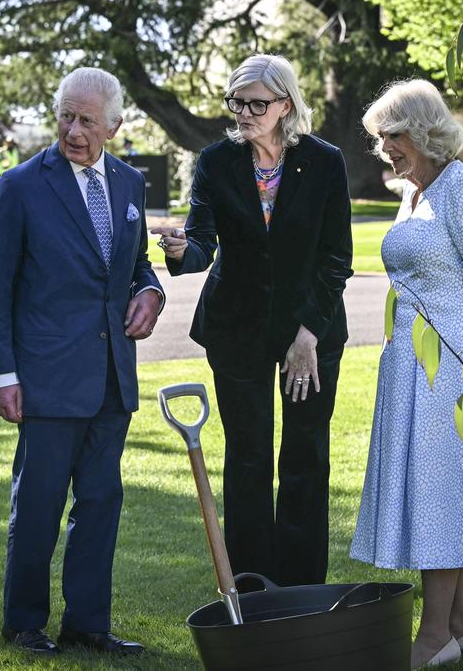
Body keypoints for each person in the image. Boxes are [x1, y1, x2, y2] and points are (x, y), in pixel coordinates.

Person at [0, 67, 163, 657]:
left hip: (113, 380)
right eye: (65, 115)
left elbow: (132, 265)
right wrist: (1, 374)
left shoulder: (131, 183)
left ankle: (87, 624)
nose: (73, 130)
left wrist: (151, 291)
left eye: (86, 120)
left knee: (102, 504)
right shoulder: (19, 187)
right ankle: (24, 622)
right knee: (36, 506)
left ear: (115, 125)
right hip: (45, 381)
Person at [152, 54, 353, 587]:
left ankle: (302, 584)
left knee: (306, 455)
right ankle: (252, 584)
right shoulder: (216, 162)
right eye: (237, 102)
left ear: (285, 105)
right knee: (247, 457)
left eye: (257, 104)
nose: (244, 113)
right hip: (236, 328)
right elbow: (201, 243)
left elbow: (337, 258)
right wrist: (179, 249)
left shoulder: (325, 161)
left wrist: (307, 334)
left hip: (312, 330)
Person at [348, 79, 463, 669]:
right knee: (433, 491)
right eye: (381, 139)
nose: (386, 149)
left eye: (394, 135)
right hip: (412, 365)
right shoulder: (415, 193)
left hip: (451, 365)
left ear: (422, 131)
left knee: (442, 496)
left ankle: (432, 636)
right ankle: (462, 625)